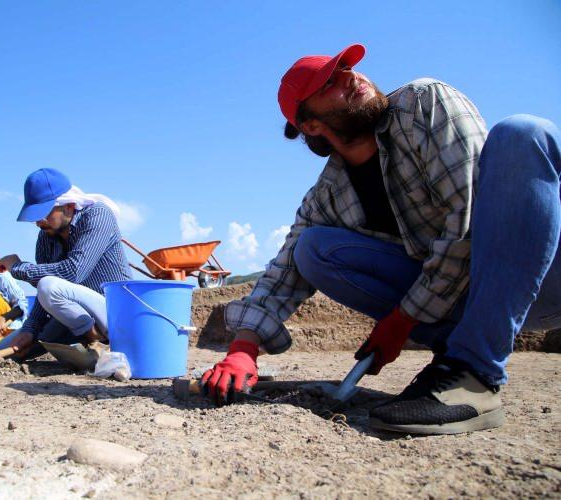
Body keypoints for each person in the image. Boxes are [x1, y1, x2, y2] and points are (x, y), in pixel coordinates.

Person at [202, 43, 561, 434]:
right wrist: (243, 349)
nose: (352, 78)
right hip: (461, 304)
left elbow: (470, 220)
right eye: (331, 82)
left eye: (347, 69)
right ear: (311, 126)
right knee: (313, 249)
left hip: (539, 282)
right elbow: (282, 273)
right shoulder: (329, 195)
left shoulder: (425, 104)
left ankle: (473, 372)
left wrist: (403, 318)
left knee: (523, 134)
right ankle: (452, 354)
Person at [0, 168, 132, 360]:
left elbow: (73, 272)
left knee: (48, 284)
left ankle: (95, 343)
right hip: (76, 315)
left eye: (44, 213)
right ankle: (87, 341)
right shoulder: (46, 236)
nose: (38, 222)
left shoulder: (98, 216)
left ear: (68, 206)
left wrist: (18, 268)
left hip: (114, 312)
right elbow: (45, 296)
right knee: (7, 351)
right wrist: (30, 328)